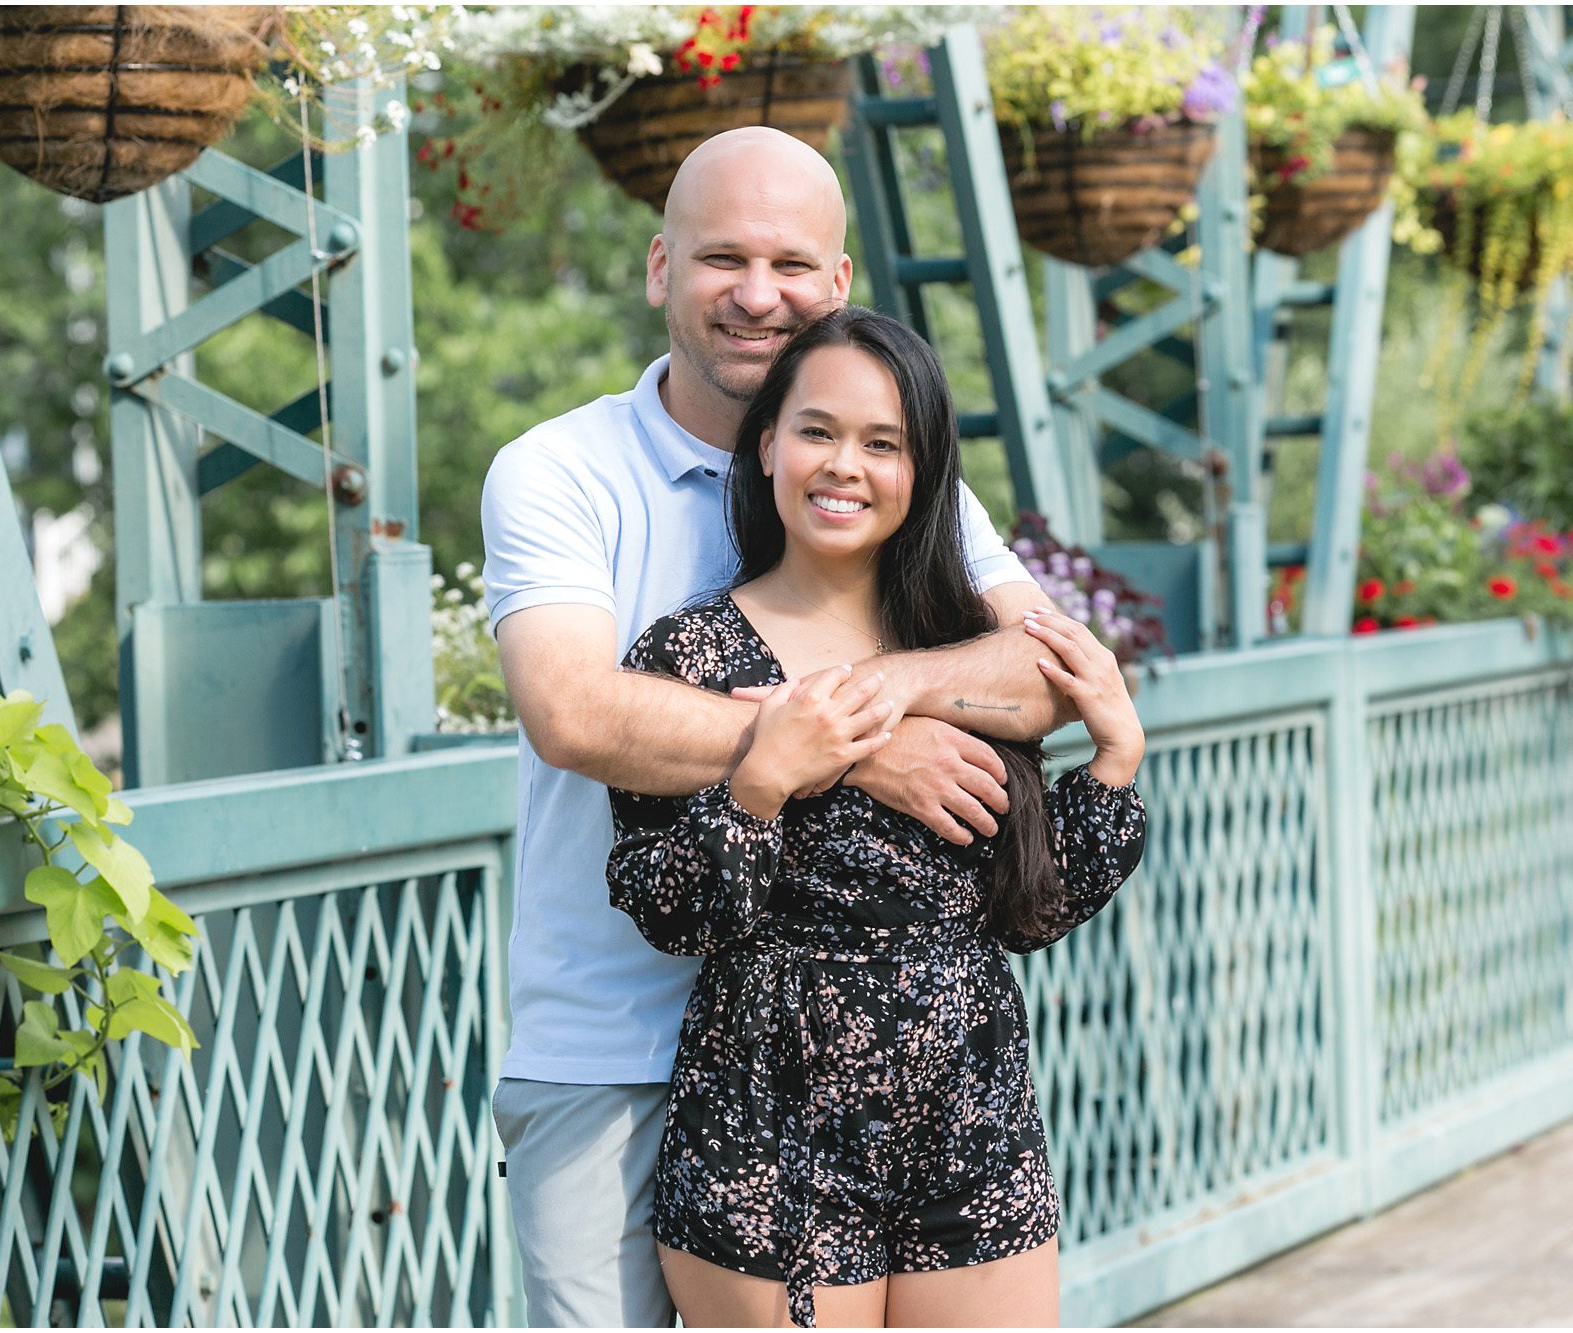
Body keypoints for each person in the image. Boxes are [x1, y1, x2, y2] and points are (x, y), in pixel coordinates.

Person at [479, 127, 1077, 1327]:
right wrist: (861, 754)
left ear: (840, 285)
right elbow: (571, 709)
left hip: (854, 1070)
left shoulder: (882, 467)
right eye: (721, 259)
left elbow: (1050, 674)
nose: (759, 295)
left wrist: (870, 705)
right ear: (659, 269)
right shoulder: (558, 471)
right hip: (616, 1039)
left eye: (792, 265)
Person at [606, 306, 1148, 1328]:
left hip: (969, 1117)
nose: (842, 465)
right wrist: (762, 783)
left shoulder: (959, 652)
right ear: (766, 444)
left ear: (923, 470)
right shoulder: (692, 658)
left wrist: (1113, 764)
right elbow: (665, 908)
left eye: (882, 443)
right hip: (770, 1131)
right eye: (816, 430)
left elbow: (1023, 908)